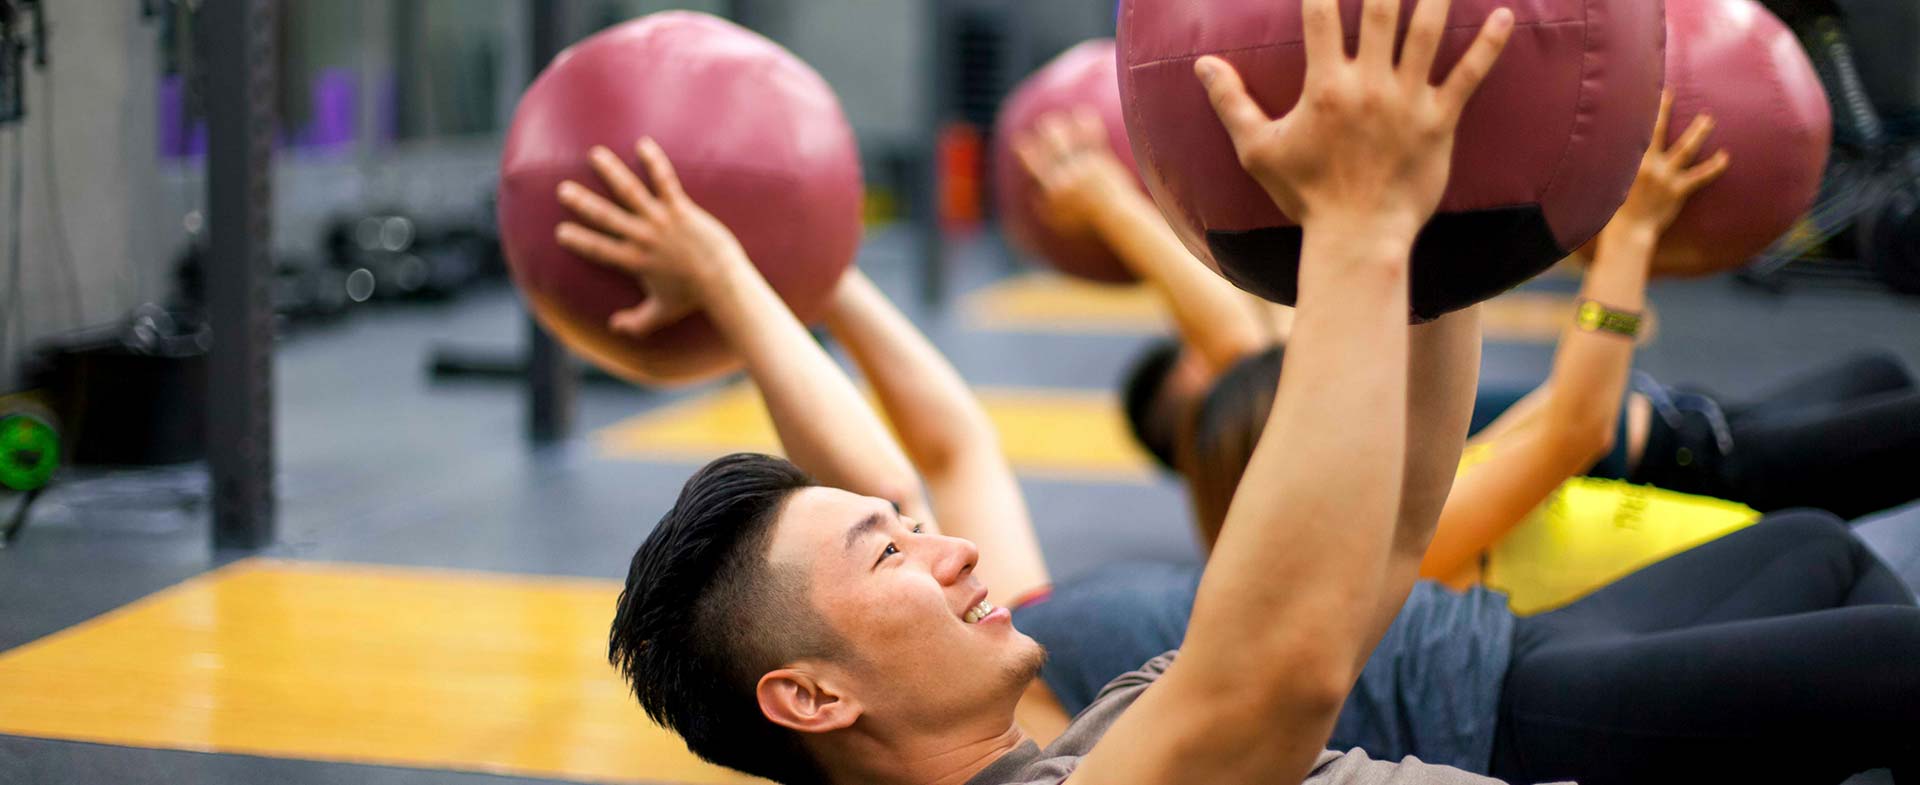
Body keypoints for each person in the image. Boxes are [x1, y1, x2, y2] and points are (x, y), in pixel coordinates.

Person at [564, 1, 1521, 783]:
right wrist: (1364, 215)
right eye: (889, 548)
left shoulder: (1111, 721)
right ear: (813, 697)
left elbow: (1391, 528)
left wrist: (1448, 233)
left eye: (908, 528)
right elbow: (1282, 676)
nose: (955, 544)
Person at [1007, 90, 1920, 784]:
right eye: (887, 545)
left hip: (1552, 599)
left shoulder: (1077, 629)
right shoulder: (1292, 586)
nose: (940, 552)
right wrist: (1624, 238)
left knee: (1825, 542)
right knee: (1877, 653)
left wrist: (1444, 199)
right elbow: (1569, 427)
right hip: (1528, 680)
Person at [1027, 106, 1920, 522]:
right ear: (1192, 417)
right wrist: (1109, 200)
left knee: (1883, 381)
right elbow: (1240, 340)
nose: (1214, 346)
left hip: (1672, 410)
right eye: (1194, 360)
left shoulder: (1303, 426)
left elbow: (1248, 335)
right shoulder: (1284, 462)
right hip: (1694, 462)